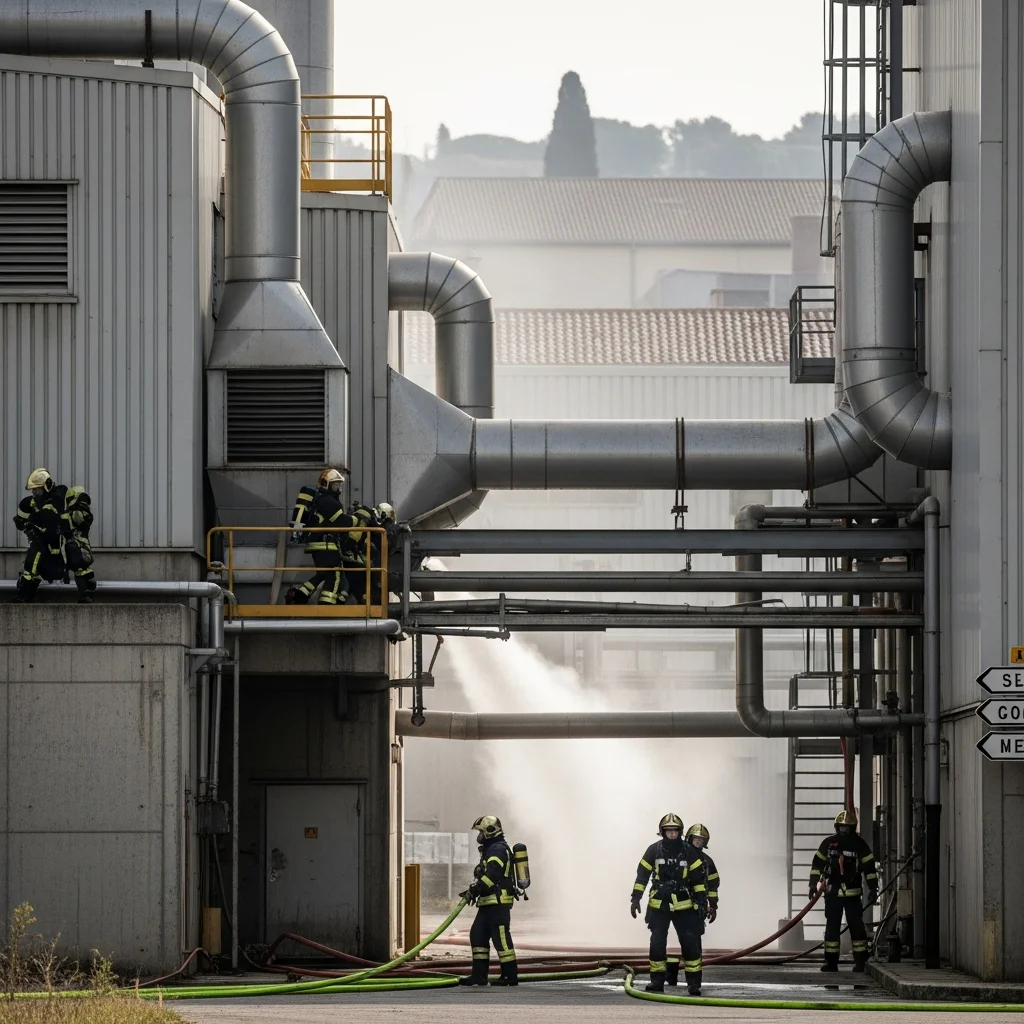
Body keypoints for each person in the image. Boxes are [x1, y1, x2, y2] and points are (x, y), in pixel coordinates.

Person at [631, 813, 708, 996]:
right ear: (662, 832)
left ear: (680, 832)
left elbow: (698, 880)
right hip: (659, 906)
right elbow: (642, 876)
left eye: (675, 831)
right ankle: (657, 982)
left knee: (690, 944)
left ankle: (694, 985)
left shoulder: (688, 851)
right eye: (668, 831)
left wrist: (701, 902)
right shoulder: (653, 850)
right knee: (657, 944)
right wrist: (635, 898)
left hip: (684, 906)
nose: (672, 835)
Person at [809, 809, 878, 973]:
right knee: (832, 929)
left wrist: (873, 888)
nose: (843, 830)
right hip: (833, 894)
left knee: (857, 928)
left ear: (852, 827)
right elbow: (817, 865)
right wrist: (813, 885)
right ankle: (831, 963)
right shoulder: (828, 843)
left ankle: (860, 962)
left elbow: (869, 868)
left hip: (852, 895)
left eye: (846, 827)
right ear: (836, 826)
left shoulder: (860, 845)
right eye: (841, 827)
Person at [457, 815, 519, 987]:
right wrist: (475, 887)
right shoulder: (491, 849)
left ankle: (510, 976)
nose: (478, 837)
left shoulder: (498, 849)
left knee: (501, 939)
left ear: (489, 832)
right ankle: (479, 977)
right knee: (478, 935)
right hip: (488, 902)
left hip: (498, 902)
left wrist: (475, 890)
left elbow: (492, 876)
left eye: (480, 832)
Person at [285, 468, 354, 606]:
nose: (338, 488)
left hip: (318, 544)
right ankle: (327, 605)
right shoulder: (328, 501)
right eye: (335, 484)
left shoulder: (320, 500)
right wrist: (358, 521)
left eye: (339, 485)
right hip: (326, 545)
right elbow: (341, 521)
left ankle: (299, 596)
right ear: (326, 484)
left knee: (323, 575)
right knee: (335, 575)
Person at [666, 822, 720, 987]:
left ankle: (693, 981)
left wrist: (713, 905)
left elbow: (712, 885)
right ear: (689, 838)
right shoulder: (678, 856)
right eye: (696, 839)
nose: (698, 842)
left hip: (697, 908)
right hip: (675, 905)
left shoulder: (707, 862)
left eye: (701, 840)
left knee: (693, 944)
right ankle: (670, 972)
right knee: (659, 940)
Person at [13, 468, 66, 603]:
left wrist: (33, 525)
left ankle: (23, 595)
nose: (34, 492)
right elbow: (22, 521)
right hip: (40, 544)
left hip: (52, 548)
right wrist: (23, 524)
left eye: (37, 489)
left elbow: (49, 525)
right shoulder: (31, 502)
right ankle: (26, 594)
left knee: (32, 564)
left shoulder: (56, 501)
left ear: (46, 486)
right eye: (33, 489)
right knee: (32, 567)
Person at [61, 484, 97, 603]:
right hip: (79, 547)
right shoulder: (80, 513)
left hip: (76, 547)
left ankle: (85, 595)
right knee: (83, 569)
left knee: (81, 570)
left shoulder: (77, 513)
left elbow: (79, 523)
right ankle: (86, 593)